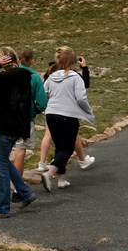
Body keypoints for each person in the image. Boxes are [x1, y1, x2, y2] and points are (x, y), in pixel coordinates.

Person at [0, 47, 37, 217]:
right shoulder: (24, 76)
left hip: (5, 127)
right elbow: (25, 104)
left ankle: (2, 208)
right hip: (17, 127)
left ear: (4, 60)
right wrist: (24, 129)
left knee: (1, 167)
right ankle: (25, 193)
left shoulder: (5, 78)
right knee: (5, 162)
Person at [0, 47, 48, 201]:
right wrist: (34, 111)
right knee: (20, 150)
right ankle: (19, 190)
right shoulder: (33, 77)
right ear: (31, 60)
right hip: (25, 120)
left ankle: (3, 186)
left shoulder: (5, 75)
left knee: (2, 157)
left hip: (5, 121)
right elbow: (42, 103)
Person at [41, 46, 95, 192]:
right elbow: (81, 98)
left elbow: (44, 94)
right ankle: (50, 173)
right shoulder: (75, 78)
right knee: (68, 147)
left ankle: (61, 179)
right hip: (68, 116)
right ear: (73, 62)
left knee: (59, 146)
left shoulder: (51, 77)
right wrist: (87, 111)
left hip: (51, 115)